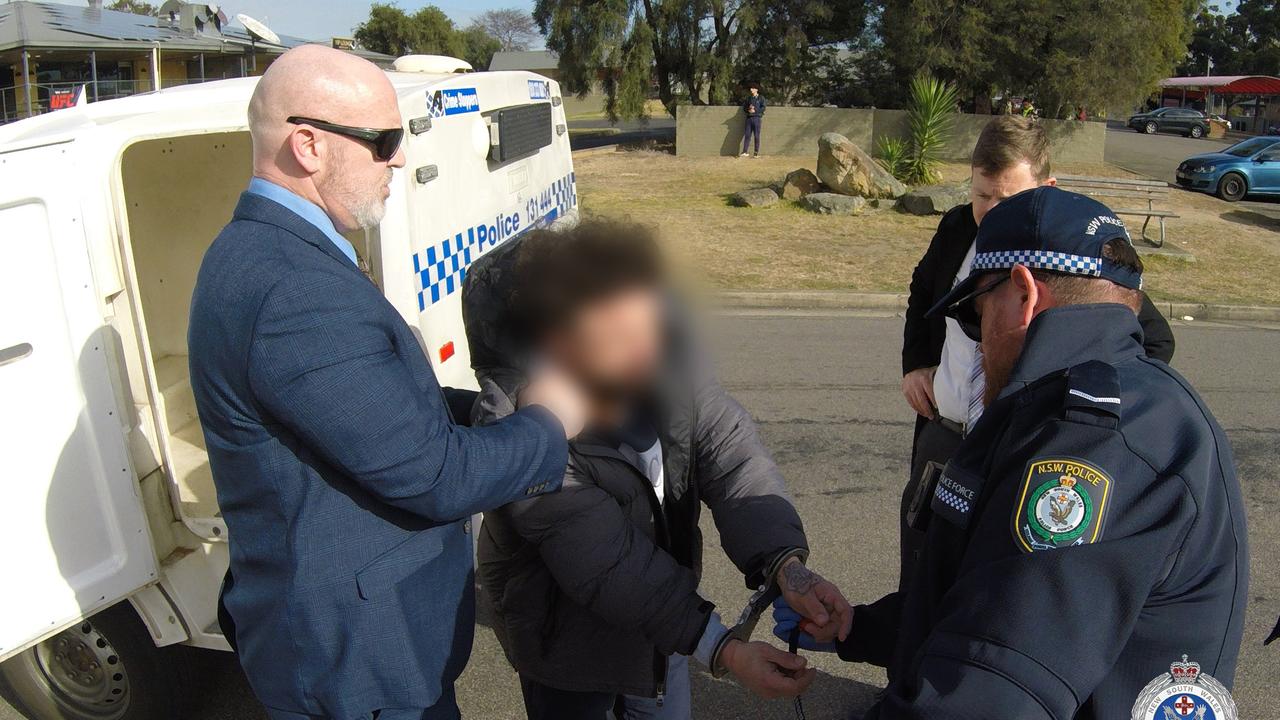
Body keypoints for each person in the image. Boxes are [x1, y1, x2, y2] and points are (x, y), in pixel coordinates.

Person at [188, 45, 586, 720]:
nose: (399, 157)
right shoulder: (292, 290)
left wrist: (484, 411)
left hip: (359, 641)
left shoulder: (275, 250)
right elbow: (439, 478)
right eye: (382, 140)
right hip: (362, 663)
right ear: (308, 146)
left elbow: (369, 409)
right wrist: (547, 422)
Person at [776, 187, 1248, 719]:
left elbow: (990, 690)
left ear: (1023, 294)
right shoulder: (1046, 412)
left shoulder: (1096, 445)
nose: (977, 343)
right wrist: (859, 628)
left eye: (977, 315)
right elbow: (985, 595)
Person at [463, 221, 852, 719]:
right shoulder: (524, 430)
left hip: (666, 631)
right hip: (569, 652)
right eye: (621, 333)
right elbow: (605, 561)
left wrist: (786, 565)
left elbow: (732, 456)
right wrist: (723, 648)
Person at [899, 115, 1174, 589]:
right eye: (981, 194)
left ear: (1047, 187)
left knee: (988, 589)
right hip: (942, 437)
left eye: (1008, 199)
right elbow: (923, 293)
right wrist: (916, 364)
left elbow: (1151, 340)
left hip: (1017, 454)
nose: (989, 211)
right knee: (922, 580)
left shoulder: (1072, 258)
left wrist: (1070, 418)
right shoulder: (958, 226)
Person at [740, 83, 766, 158]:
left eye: (753, 88)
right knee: (747, 135)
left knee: (756, 136)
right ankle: (745, 152)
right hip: (749, 119)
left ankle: (756, 153)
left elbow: (763, 108)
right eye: (751, 88)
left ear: (756, 89)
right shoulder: (749, 98)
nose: (751, 89)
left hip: (757, 118)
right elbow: (744, 108)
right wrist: (749, 110)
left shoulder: (761, 98)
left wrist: (755, 110)